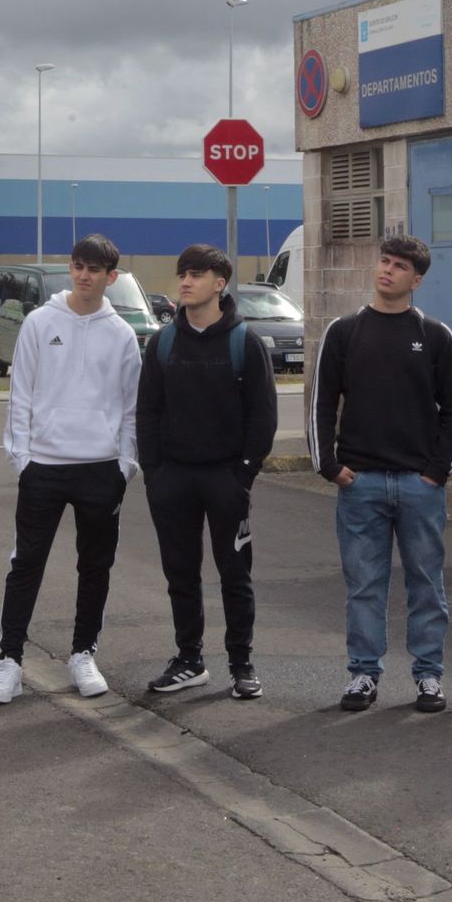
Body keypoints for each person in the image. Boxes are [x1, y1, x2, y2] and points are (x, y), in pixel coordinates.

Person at [0, 234, 142, 704]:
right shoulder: (39, 322)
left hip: (101, 470)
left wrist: (125, 466)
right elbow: (21, 396)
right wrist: (23, 459)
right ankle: (9, 661)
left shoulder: (122, 334)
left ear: (111, 277)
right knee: (26, 565)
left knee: (95, 567)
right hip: (44, 468)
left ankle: (83, 654)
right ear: (70, 268)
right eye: (78, 266)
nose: (84, 276)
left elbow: (131, 408)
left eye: (94, 269)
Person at [313, 235, 452, 714]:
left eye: (399, 266)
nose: (387, 270)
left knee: (427, 585)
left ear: (416, 280)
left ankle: (429, 676)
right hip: (359, 483)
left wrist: (437, 472)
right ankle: (363, 674)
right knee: (364, 586)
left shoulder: (436, 335)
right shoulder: (344, 331)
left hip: (419, 486)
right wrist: (329, 466)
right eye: (384, 261)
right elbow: (321, 402)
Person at [136, 244, 278, 699]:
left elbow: (263, 415)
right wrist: (154, 473)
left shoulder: (244, 342)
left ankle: (241, 663)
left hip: (225, 479)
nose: (185, 281)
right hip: (173, 478)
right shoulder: (163, 342)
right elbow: (147, 412)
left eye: (196, 275)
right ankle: (189, 660)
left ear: (220, 283)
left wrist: (244, 474)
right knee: (181, 574)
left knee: (235, 575)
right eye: (183, 274)